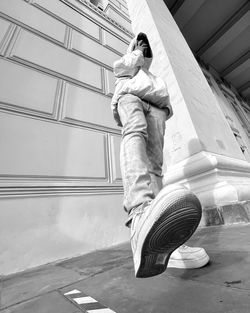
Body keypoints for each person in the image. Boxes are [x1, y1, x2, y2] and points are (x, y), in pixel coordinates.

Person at [111, 32, 209, 278]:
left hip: (156, 106)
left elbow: (161, 91)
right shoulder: (129, 62)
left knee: (156, 164)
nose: (144, 48)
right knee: (134, 135)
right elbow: (120, 68)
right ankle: (140, 212)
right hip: (130, 97)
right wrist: (135, 53)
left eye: (146, 47)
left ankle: (164, 238)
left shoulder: (152, 76)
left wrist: (163, 111)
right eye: (140, 44)